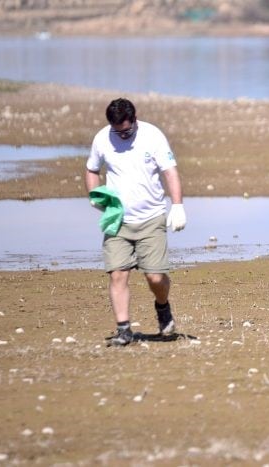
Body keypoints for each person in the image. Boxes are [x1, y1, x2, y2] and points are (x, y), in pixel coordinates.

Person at [85, 98, 187, 347]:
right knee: (118, 274)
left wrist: (177, 205)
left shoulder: (153, 136)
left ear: (135, 121)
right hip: (117, 219)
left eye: (126, 131)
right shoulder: (102, 139)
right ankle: (124, 330)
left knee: (155, 278)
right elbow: (92, 170)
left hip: (151, 217)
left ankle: (163, 307)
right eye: (117, 131)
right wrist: (94, 196)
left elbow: (170, 172)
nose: (121, 135)